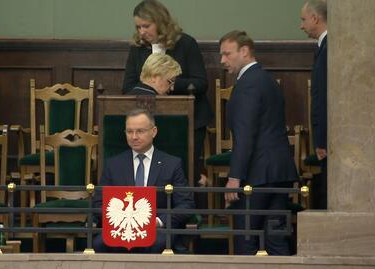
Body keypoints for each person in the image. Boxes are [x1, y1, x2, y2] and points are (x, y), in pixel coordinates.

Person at [219, 30, 299, 255]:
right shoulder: (267, 79)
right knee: (276, 241)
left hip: (256, 175)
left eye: (227, 54)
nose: (222, 60)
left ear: (244, 51)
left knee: (247, 239)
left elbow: (245, 135)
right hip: (279, 172)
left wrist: (234, 177)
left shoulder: (248, 84)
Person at [123, 0, 213, 191]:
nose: (141, 32)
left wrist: (168, 85)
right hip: (150, 120)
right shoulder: (137, 48)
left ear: (161, 22)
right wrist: (150, 89)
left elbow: (200, 83)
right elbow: (128, 86)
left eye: (146, 26)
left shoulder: (186, 44)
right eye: (138, 27)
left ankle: (186, 211)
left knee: (183, 170)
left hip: (188, 120)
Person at [92, 108, 195, 253]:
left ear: (154, 131)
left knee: (155, 243)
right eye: (129, 131)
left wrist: (159, 222)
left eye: (140, 131)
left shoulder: (171, 164)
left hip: (156, 230)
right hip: (119, 228)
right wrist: (118, 221)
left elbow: (186, 204)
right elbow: (98, 203)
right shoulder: (113, 164)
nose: (134, 137)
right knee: (98, 243)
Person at [300, 0, 328, 209]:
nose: (301, 25)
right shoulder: (323, 46)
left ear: (315, 18)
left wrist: (322, 140)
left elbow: (324, 99)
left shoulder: (329, 48)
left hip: (330, 139)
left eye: (303, 19)